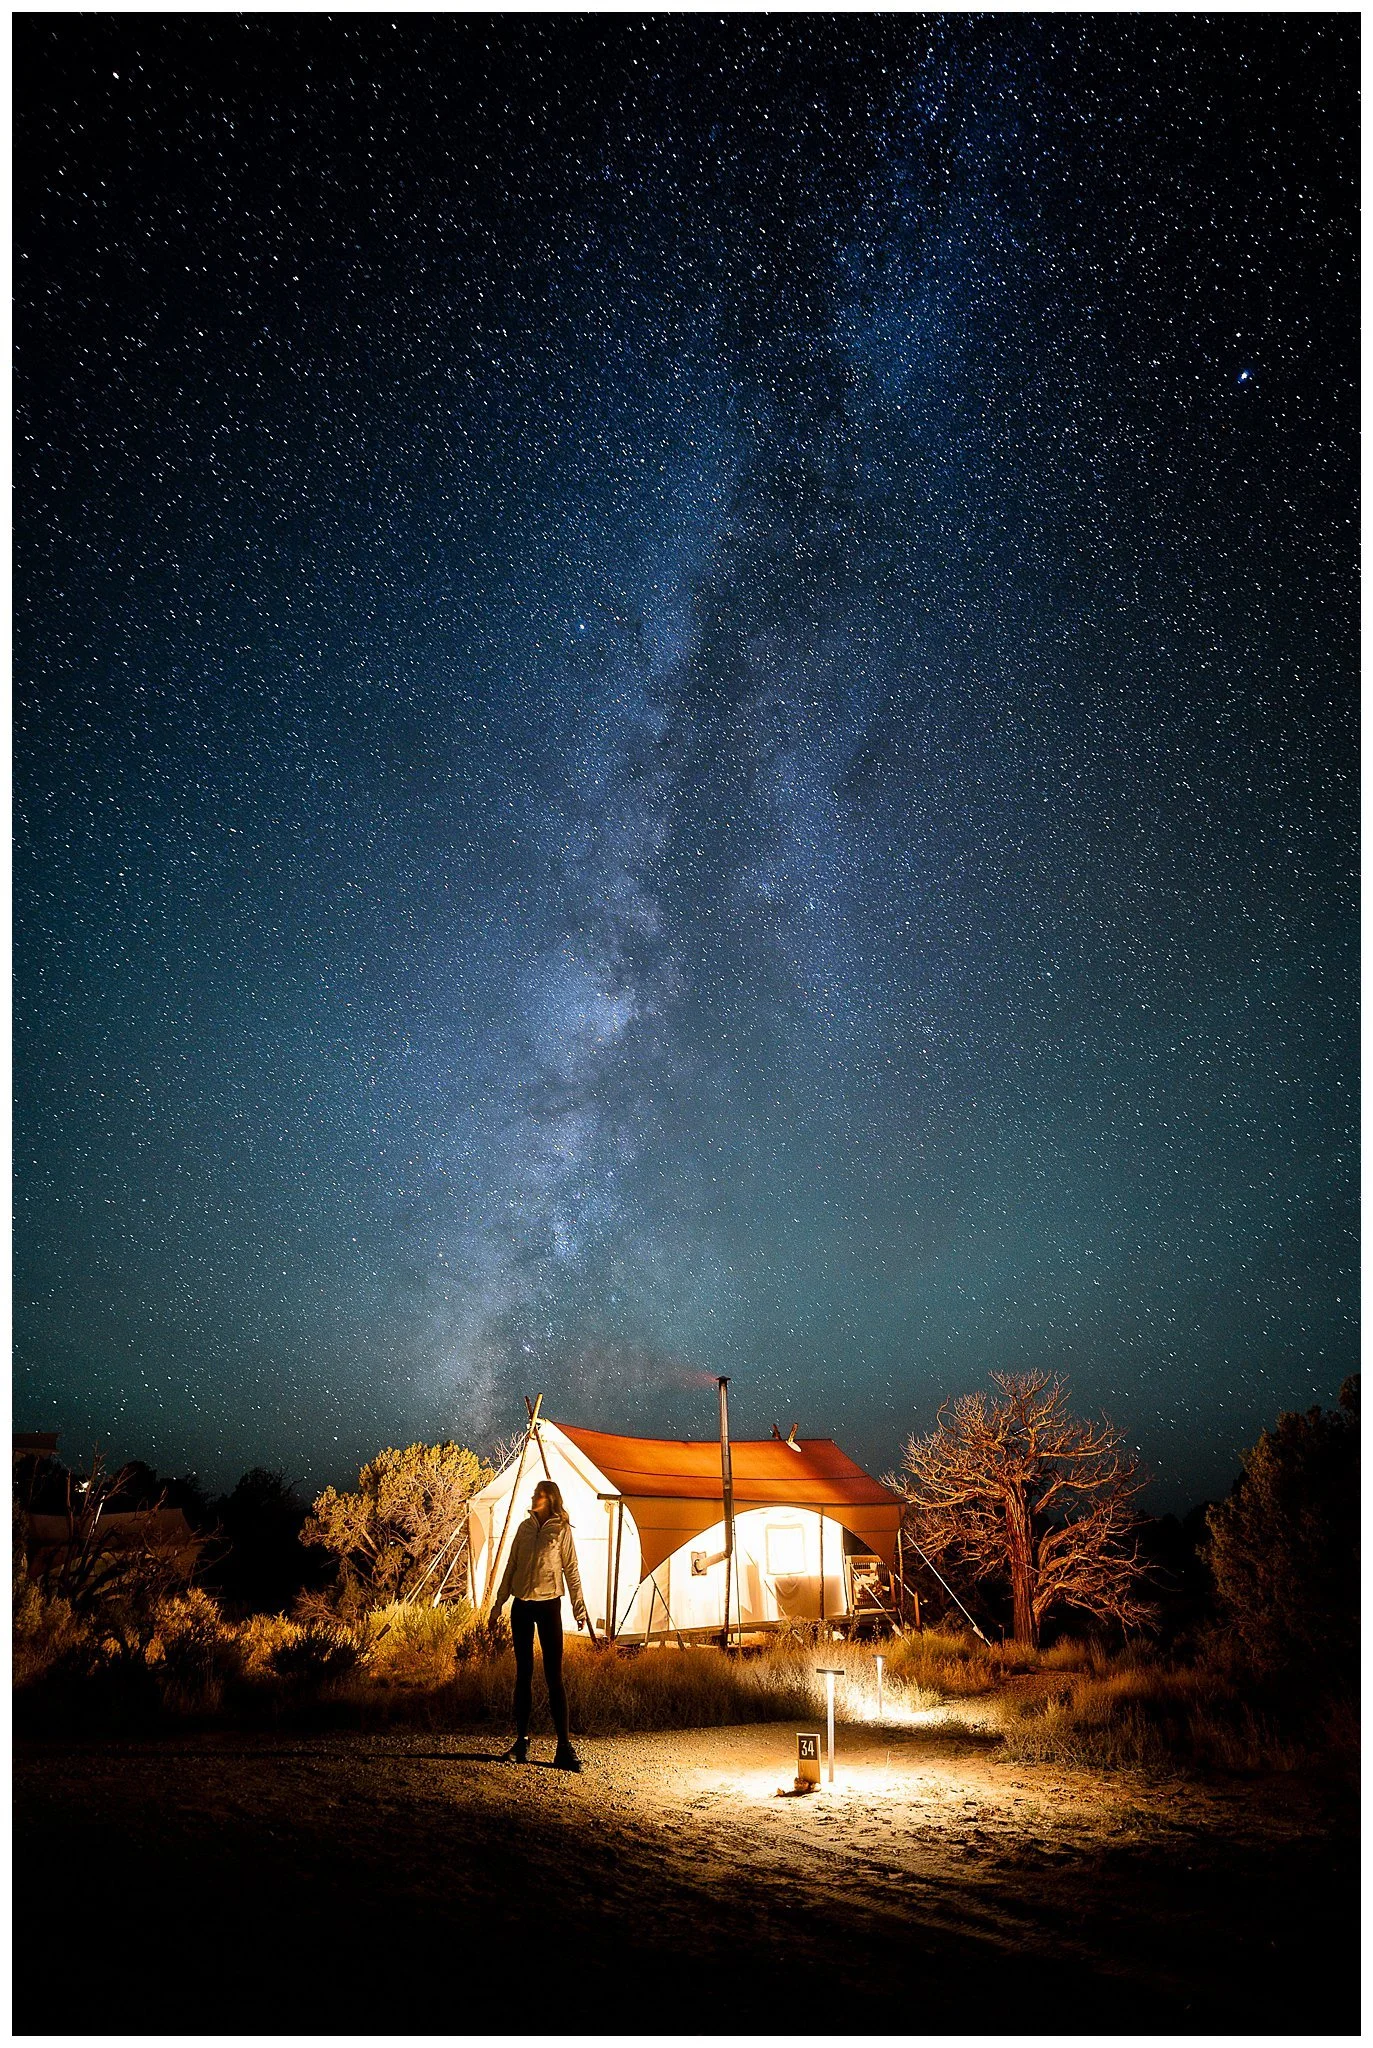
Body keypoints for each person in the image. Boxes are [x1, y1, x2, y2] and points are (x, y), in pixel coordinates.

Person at [490, 1477, 589, 1770]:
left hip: (549, 1607)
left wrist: (578, 1608)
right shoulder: (524, 1528)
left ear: (552, 1499)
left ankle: (563, 1746)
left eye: (539, 1495)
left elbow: (571, 1569)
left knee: (553, 1677)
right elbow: (511, 1566)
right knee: (523, 1676)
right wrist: (498, 1604)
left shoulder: (560, 1530)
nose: (534, 1497)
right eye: (535, 1493)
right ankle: (521, 1742)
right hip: (522, 1606)